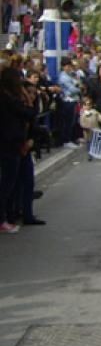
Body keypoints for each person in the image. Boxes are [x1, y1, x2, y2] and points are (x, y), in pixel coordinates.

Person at [0, 67, 36, 233]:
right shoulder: (8, 100)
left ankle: (16, 214)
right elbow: (28, 113)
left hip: (17, 143)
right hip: (10, 144)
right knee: (8, 183)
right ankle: (3, 219)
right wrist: (28, 99)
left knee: (20, 181)